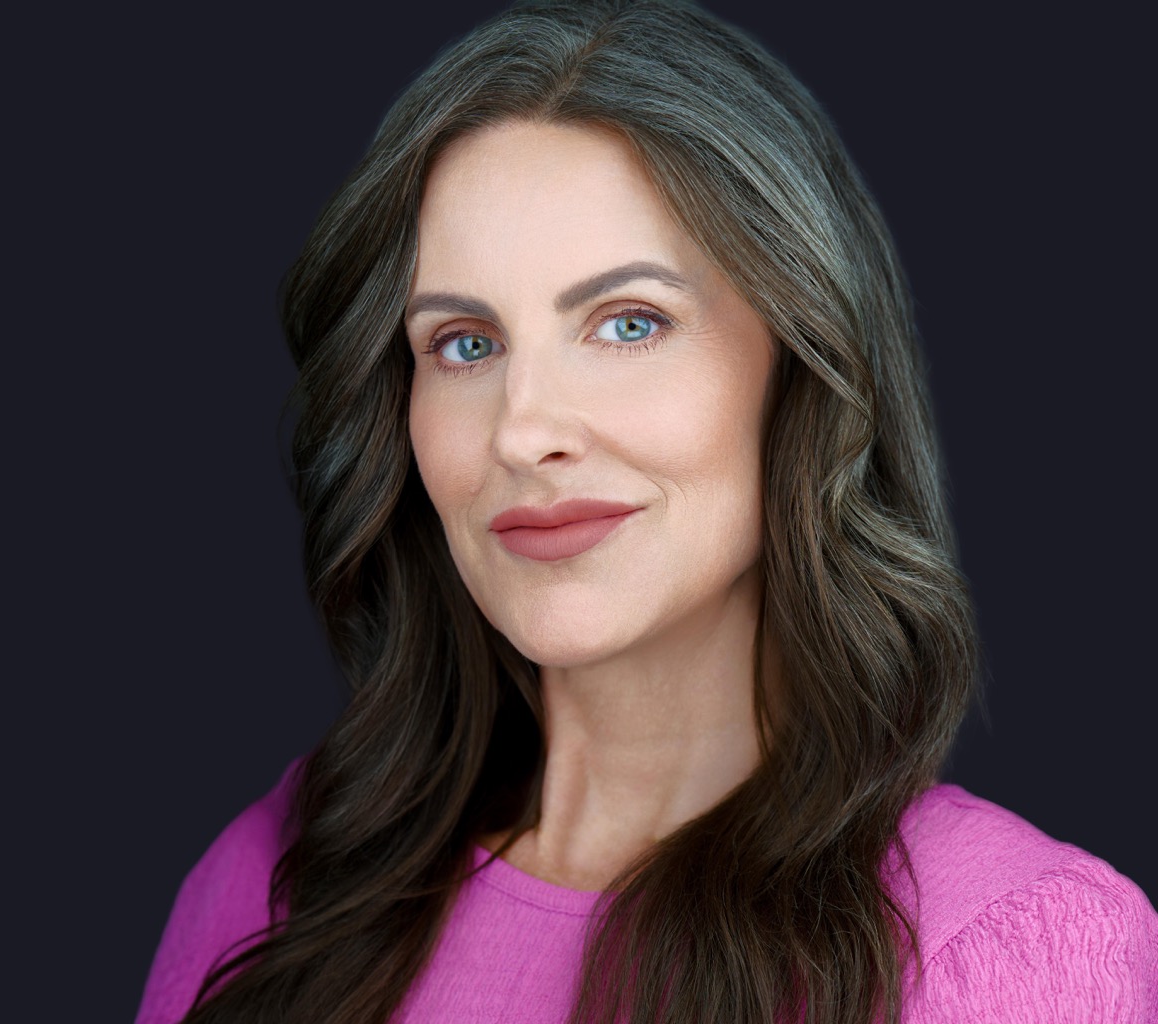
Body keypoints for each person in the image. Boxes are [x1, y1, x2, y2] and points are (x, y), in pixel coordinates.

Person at [135, 1, 1158, 1021]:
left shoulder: (999, 945)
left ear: (801, 369)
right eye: (462, 342)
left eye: (628, 323)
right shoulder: (275, 883)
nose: (520, 429)